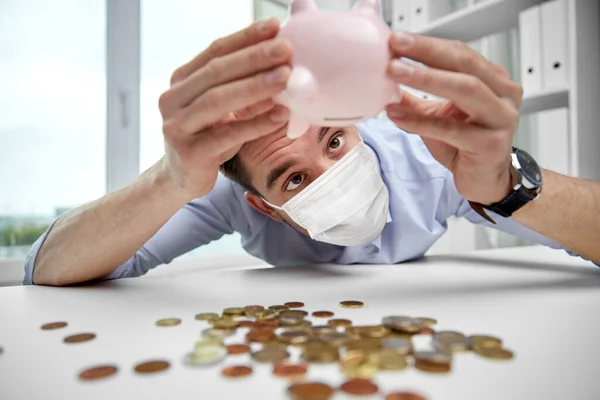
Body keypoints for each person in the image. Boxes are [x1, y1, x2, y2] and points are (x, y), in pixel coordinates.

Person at [25, 18, 600, 286]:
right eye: (293, 180)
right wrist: (171, 180)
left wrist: (506, 186)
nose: (334, 172)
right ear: (266, 208)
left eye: (334, 140)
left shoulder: (430, 158)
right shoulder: (226, 194)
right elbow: (46, 272)